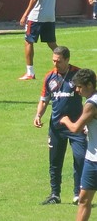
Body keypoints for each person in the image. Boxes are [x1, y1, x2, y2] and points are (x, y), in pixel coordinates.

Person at [33, 46, 87, 205]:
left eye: (59, 61)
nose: (55, 64)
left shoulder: (78, 75)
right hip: (56, 127)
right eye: (54, 61)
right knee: (55, 161)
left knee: (80, 158)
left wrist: (86, 121)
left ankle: (78, 194)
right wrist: (38, 115)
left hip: (77, 127)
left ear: (67, 60)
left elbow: (90, 98)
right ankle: (55, 194)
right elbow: (44, 99)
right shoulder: (50, 77)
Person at [59, 69, 97, 220]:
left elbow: (75, 129)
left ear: (89, 85)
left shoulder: (91, 104)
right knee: (83, 199)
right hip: (91, 159)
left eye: (80, 87)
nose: (77, 90)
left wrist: (65, 120)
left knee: (84, 200)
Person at [19, 0, 58, 80]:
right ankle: (65, 64)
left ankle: (30, 72)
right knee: (52, 43)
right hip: (50, 16)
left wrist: (25, 15)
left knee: (28, 42)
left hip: (36, 16)